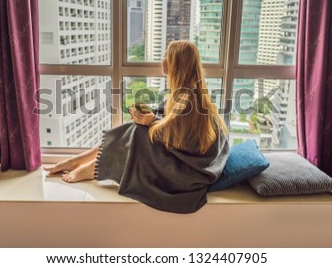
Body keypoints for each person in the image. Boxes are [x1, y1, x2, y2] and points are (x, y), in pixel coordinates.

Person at [44, 40, 229, 213]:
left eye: (166, 56)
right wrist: (151, 117)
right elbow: (174, 124)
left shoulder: (188, 99)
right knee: (137, 126)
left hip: (188, 173)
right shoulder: (186, 92)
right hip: (186, 163)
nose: (162, 59)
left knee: (139, 131)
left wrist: (150, 122)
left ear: (176, 64)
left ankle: (90, 167)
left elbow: (184, 142)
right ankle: (80, 161)